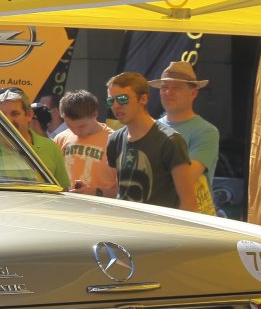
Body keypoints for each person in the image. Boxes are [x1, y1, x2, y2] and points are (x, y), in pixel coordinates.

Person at [100, 72, 196, 211]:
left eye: (122, 99)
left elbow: (189, 202)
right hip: (125, 221)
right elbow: (119, 191)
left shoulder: (170, 141)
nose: (115, 106)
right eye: (110, 101)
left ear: (143, 99)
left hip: (159, 223)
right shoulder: (115, 139)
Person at [152, 61, 219, 215]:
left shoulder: (206, 131)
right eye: (164, 87)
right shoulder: (151, 128)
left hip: (192, 219)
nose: (168, 92)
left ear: (193, 93)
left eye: (176, 88)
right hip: (159, 215)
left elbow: (185, 177)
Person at [0, 88, 69, 187]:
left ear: (29, 115)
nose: (7, 120)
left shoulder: (50, 148)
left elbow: (63, 190)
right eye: (1, 114)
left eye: (15, 114)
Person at [56, 90, 116, 198]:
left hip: (100, 206)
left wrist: (95, 192)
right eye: (70, 126)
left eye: (81, 126)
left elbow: (124, 191)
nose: (76, 132)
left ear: (95, 115)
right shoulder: (61, 138)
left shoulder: (114, 141)